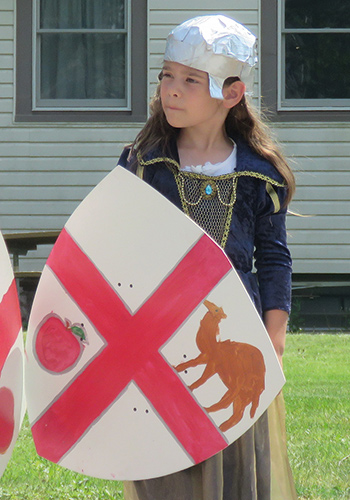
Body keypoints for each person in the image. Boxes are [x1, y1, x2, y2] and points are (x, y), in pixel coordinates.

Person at [118, 14, 297, 500]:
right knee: (166, 459)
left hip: (236, 336)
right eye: (166, 76)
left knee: (232, 452)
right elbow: (117, 247)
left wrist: (273, 336)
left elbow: (274, 260)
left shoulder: (260, 175)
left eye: (191, 80)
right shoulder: (144, 164)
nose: (171, 90)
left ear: (232, 93)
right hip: (157, 330)